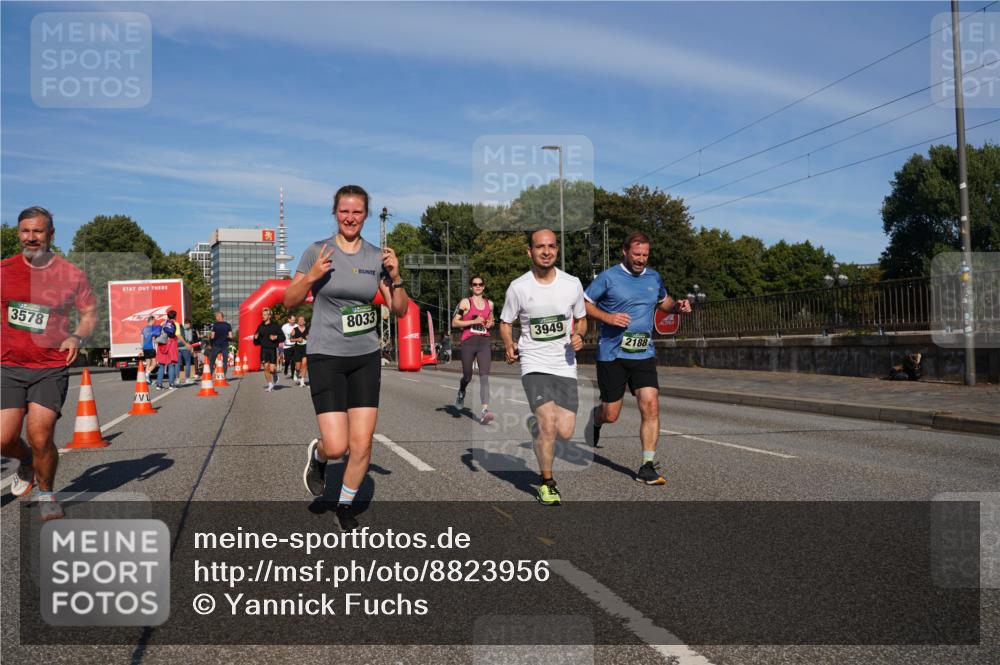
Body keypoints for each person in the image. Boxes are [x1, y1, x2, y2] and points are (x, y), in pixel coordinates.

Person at [286, 184, 409, 531]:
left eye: (357, 212)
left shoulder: (376, 257)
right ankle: (319, 456)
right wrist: (310, 277)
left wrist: (396, 277)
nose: (351, 217)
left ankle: (345, 506)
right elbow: (289, 301)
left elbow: (398, 309)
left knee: (363, 442)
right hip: (326, 354)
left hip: (365, 356)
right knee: (338, 446)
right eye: (344, 211)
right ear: (335, 213)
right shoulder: (317, 251)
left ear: (366, 215)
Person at [1, 206, 97, 521]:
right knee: (4, 439)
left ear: (51, 234)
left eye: (38, 231)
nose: (31, 238)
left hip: (49, 365)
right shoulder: (3, 271)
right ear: (19, 234)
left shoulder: (71, 275)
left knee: (41, 435)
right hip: (8, 365)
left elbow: (89, 314)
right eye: (25, 232)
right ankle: (26, 460)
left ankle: (46, 493)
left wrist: (77, 338)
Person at [584, 231, 692, 485]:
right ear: (624, 251)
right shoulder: (608, 277)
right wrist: (608, 318)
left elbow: (664, 301)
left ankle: (646, 465)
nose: (641, 259)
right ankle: (595, 418)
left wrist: (678, 307)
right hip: (612, 354)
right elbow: (585, 303)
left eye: (645, 255)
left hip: (643, 353)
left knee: (650, 404)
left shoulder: (653, 277)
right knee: (611, 414)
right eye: (636, 254)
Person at [499, 229, 586, 506]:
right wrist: (510, 344)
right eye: (540, 247)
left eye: (551, 246)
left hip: (565, 364)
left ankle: (540, 429)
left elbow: (582, 319)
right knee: (549, 422)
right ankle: (547, 483)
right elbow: (505, 322)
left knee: (566, 432)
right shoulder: (519, 287)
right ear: (530, 252)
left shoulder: (572, 284)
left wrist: (580, 335)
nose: (546, 251)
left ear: (557, 250)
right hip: (534, 363)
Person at [452, 275, 495, 424]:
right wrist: (473, 321)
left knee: (484, 376)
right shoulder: (465, 302)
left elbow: (492, 320)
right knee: (467, 376)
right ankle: (461, 390)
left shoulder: (490, 304)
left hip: (483, 342)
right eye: (475, 284)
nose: (478, 286)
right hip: (468, 342)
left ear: (484, 286)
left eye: (480, 284)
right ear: (471, 287)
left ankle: (484, 410)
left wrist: (490, 323)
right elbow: (454, 323)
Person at [253, 307, 283, 391]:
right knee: (266, 367)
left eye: (265, 315)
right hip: (264, 349)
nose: (263, 316)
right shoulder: (260, 326)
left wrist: (276, 337)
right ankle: (270, 385)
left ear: (269, 316)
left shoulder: (275, 326)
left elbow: (282, 337)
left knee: (272, 369)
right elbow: (256, 342)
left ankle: (275, 374)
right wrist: (255, 338)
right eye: (263, 315)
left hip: (272, 349)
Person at [154, 309, 179, 390]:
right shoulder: (174, 324)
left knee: (161, 365)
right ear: (175, 316)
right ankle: (171, 384)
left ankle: (159, 384)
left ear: (167, 316)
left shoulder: (163, 324)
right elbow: (177, 335)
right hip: (171, 345)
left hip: (162, 345)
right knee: (171, 364)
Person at [209, 311, 232, 377]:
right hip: (225, 345)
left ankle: (210, 375)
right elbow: (230, 336)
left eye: (216, 316)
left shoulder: (215, 325)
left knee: (212, 361)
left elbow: (212, 336)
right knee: (225, 361)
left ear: (219, 317)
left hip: (216, 345)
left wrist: (211, 343)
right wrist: (226, 338)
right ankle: (223, 376)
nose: (216, 318)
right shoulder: (228, 325)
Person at [290, 315, 309, 387]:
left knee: (304, 364)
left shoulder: (308, 329)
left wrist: (309, 338)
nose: (301, 321)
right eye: (299, 320)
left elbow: (312, 338)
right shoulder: (294, 329)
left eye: (302, 320)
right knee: (298, 366)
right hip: (298, 349)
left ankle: (302, 381)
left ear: (304, 321)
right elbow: (291, 339)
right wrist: (297, 339)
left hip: (306, 348)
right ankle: (296, 372)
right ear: (297, 322)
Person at [177, 318, 198, 384]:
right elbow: (189, 339)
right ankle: (187, 379)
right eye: (190, 324)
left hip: (178, 348)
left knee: (178, 364)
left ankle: (177, 379)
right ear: (188, 323)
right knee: (187, 363)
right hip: (185, 348)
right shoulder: (189, 330)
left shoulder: (180, 328)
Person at [281, 313, 297, 378]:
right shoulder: (284, 327)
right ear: (289, 320)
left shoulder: (297, 326)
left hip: (295, 345)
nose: (293, 321)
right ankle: (286, 368)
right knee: (287, 360)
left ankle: (292, 373)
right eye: (292, 320)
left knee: (293, 361)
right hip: (287, 346)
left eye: (294, 320)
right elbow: (281, 335)